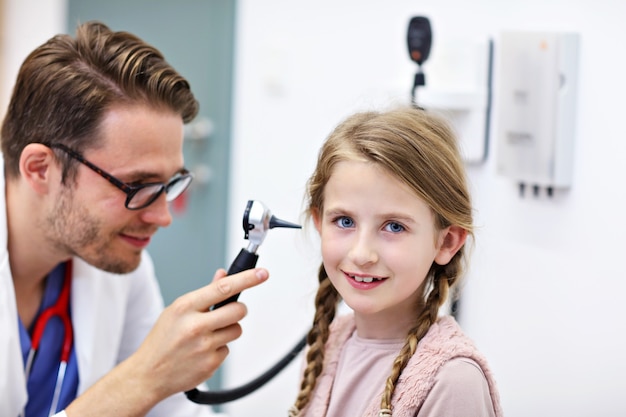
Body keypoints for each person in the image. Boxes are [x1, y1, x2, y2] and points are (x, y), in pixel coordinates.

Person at [0, 21, 270, 417]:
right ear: (41, 169)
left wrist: (160, 376)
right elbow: (149, 384)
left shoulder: (116, 263)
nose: (162, 217)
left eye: (171, 183)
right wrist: (143, 378)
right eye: (137, 186)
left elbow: (178, 411)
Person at [288, 107, 503, 417]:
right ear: (319, 222)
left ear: (446, 241)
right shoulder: (327, 347)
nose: (362, 254)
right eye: (345, 221)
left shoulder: (453, 383)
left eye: (394, 226)